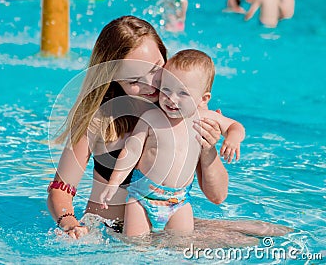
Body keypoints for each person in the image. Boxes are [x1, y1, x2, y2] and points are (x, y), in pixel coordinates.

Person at [47, 15, 292, 242]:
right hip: (113, 233)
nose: (151, 84)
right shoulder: (99, 119)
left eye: (155, 69)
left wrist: (208, 150)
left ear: (164, 54)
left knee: (269, 233)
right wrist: (70, 224)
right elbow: (60, 190)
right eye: (133, 80)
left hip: (166, 220)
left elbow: (218, 197)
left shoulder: (182, 108)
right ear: (113, 80)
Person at [99, 49, 245, 236]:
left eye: (182, 93)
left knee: (180, 246)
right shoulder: (151, 117)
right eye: (166, 89)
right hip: (141, 199)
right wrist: (113, 183)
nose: (171, 99)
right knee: (134, 245)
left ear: (203, 98)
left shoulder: (204, 119)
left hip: (179, 203)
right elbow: (131, 151)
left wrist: (233, 138)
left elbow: (236, 126)